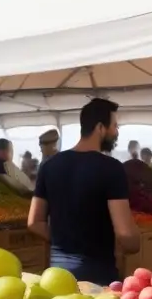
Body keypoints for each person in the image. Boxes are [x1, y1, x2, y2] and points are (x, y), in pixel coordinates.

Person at [28, 98, 139, 285]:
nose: (116, 132)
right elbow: (125, 234)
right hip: (96, 275)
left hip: (56, 274)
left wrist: (63, 241)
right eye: (115, 126)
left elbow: (34, 222)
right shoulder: (111, 168)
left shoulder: (50, 166)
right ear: (100, 128)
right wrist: (136, 243)